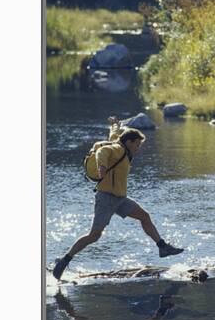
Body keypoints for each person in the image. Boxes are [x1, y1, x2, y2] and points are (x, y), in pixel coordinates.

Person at [52, 116, 184, 280]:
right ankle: (64, 260)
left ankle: (163, 247)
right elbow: (102, 151)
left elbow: (114, 133)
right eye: (137, 144)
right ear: (129, 142)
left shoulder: (120, 145)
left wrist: (114, 123)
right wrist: (102, 167)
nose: (138, 148)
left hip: (120, 199)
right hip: (106, 198)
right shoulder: (116, 149)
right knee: (94, 235)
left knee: (144, 216)